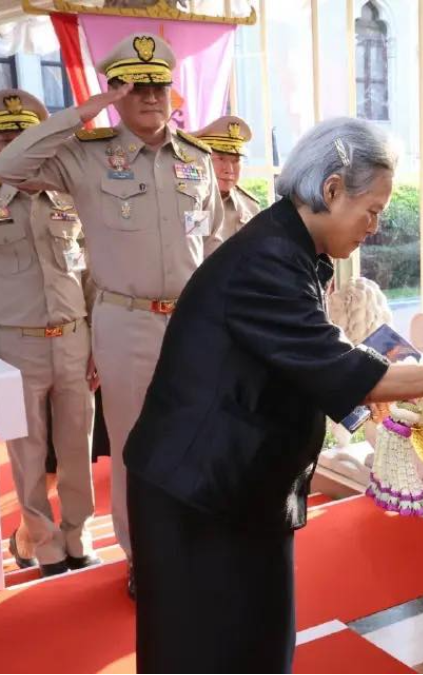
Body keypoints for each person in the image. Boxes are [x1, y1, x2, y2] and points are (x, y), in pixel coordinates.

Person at [122, 116, 423, 674]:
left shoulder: (292, 247)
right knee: (204, 653)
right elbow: (345, 368)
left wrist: (368, 405)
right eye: (373, 210)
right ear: (332, 190)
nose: (376, 226)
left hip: (239, 485)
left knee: (256, 646)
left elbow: (299, 363)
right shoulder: (267, 261)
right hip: (201, 492)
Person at [0, 33, 225, 596]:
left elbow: (218, 245)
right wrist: (88, 109)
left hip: (194, 321)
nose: (151, 95)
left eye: (159, 84)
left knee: (197, 433)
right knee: (131, 444)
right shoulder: (85, 156)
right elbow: (11, 163)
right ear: (117, 91)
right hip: (126, 320)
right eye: (135, 84)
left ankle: (193, 537)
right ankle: (141, 553)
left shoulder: (197, 160)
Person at [0, 89, 99, 577]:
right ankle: (44, 542)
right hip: (13, 344)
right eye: (7, 136)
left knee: (78, 445)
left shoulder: (69, 197)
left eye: (26, 134)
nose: (18, 143)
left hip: (75, 338)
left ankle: (78, 534)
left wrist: (97, 339)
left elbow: (90, 275)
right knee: (27, 452)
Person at [191, 115, 261, 239]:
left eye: (235, 161)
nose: (229, 170)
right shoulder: (192, 203)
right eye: (220, 159)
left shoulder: (250, 206)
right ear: (200, 161)